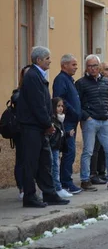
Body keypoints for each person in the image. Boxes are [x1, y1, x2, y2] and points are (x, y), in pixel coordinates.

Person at [18, 46, 69, 207]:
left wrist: (48, 124)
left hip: (40, 127)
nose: (50, 61)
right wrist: (48, 124)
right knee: (31, 163)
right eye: (47, 58)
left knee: (44, 162)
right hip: (33, 127)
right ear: (39, 60)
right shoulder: (32, 76)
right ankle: (30, 196)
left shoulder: (38, 75)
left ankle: (49, 193)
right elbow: (37, 104)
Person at [76, 54, 108, 191]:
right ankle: (85, 180)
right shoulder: (81, 83)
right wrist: (86, 117)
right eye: (89, 66)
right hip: (90, 122)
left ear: (99, 67)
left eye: (95, 66)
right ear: (86, 68)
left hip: (105, 121)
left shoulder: (106, 82)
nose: (92, 68)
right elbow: (77, 104)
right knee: (88, 151)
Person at [52, 54, 83, 194]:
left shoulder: (69, 79)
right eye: (73, 64)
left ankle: (66, 180)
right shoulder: (60, 80)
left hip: (72, 120)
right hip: (67, 121)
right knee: (69, 151)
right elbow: (60, 100)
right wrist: (73, 112)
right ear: (64, 65)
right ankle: (66, 182)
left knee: (70, 151)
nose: (76, 67)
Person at [89, 62, 108, 183]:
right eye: (106, 69)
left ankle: (104, 172)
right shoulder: (89, 83)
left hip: (106, 119)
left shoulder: (106, 83)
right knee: (94, 148)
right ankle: (93, 173)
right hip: (94, 119)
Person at [10, 65, 31, 199]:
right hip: (21, 131)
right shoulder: (18, 93)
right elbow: (17, 100)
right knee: (22, 159)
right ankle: (22, 188)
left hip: (34, 130)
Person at [49, 97, 72, 199]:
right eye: (58, 106)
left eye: (62, 106)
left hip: (56, 147)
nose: (61, 108)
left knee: (55, 167)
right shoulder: (52, 119)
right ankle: (56, 188)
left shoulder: (60, 119)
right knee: (53, 167)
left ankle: (56, 188)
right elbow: (53, 135)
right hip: (52, 146)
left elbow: (59, 134)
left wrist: (67, 134)